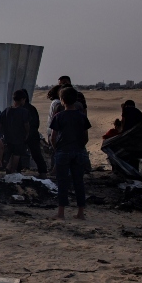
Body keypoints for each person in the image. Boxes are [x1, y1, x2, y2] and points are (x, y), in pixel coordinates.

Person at [50, 87, 91, 220]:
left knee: (62, 182)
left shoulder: (59, 116)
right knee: (78, 181)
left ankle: (61, 212)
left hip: (63, 151)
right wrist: (80, 146)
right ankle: (81, 212)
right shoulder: (81, 116)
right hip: (78, 150)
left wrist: (57, 148)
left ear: (62, 101)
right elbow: (86, 136)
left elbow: (53, 137)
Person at [17, 89, 49, 177]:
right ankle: (43, 172)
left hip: (24, 135)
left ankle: (17, 172)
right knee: (36, 154)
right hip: (33, 134)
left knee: (17, 153)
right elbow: (36, 123)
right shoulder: (32, 108)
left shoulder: (20, 109)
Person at [0, 91, 31, 173]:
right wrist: (27, 133)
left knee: (9, 153)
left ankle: (7, 170)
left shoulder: (7, 110)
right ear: (22, 99)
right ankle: (13, 171)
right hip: (19, 137)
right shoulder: (24, 111)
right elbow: (26, 124)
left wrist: (2, 132)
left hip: (8, 137)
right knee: (16, 154)